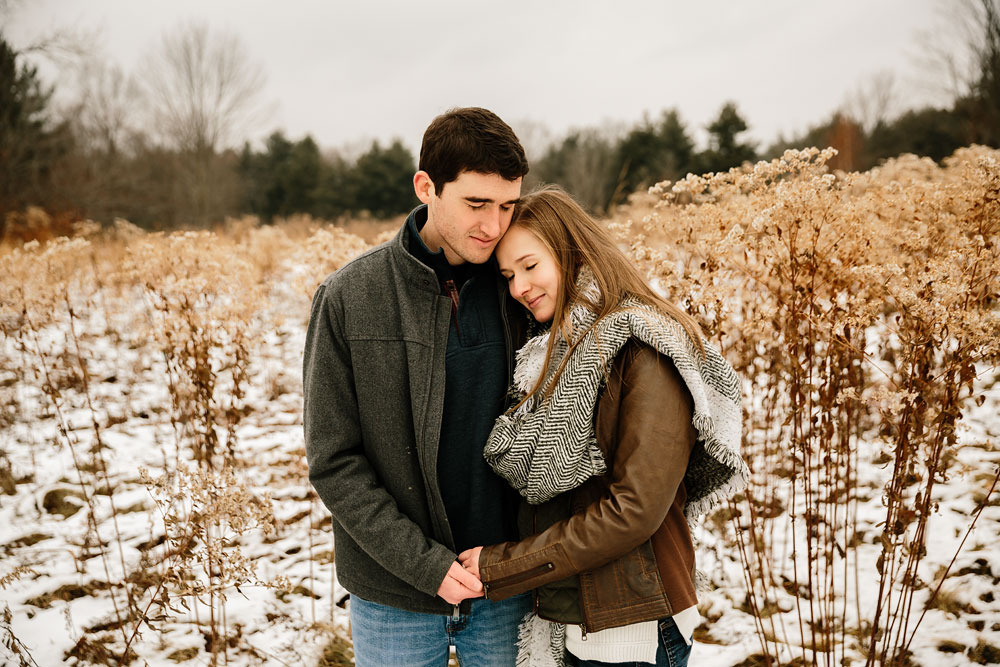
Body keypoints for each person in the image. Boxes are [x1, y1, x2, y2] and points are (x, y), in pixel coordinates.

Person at [457, 186, 749, 666]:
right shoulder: (554, 354)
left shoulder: (642, 348)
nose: (518, 288)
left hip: (631, 624)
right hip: (579, 619)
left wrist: (504, 565)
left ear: (573, 252)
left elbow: (633, 510)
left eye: (530, 266)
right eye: (508, 275)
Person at [303, 107, 533, 666]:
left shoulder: (524, 290)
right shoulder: (349, 298)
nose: (493, 225)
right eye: (476, 204)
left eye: (507, 206)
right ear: (426, 187)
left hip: (507, 586)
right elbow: (334, 460)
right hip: (393, 595)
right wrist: (424, 565)